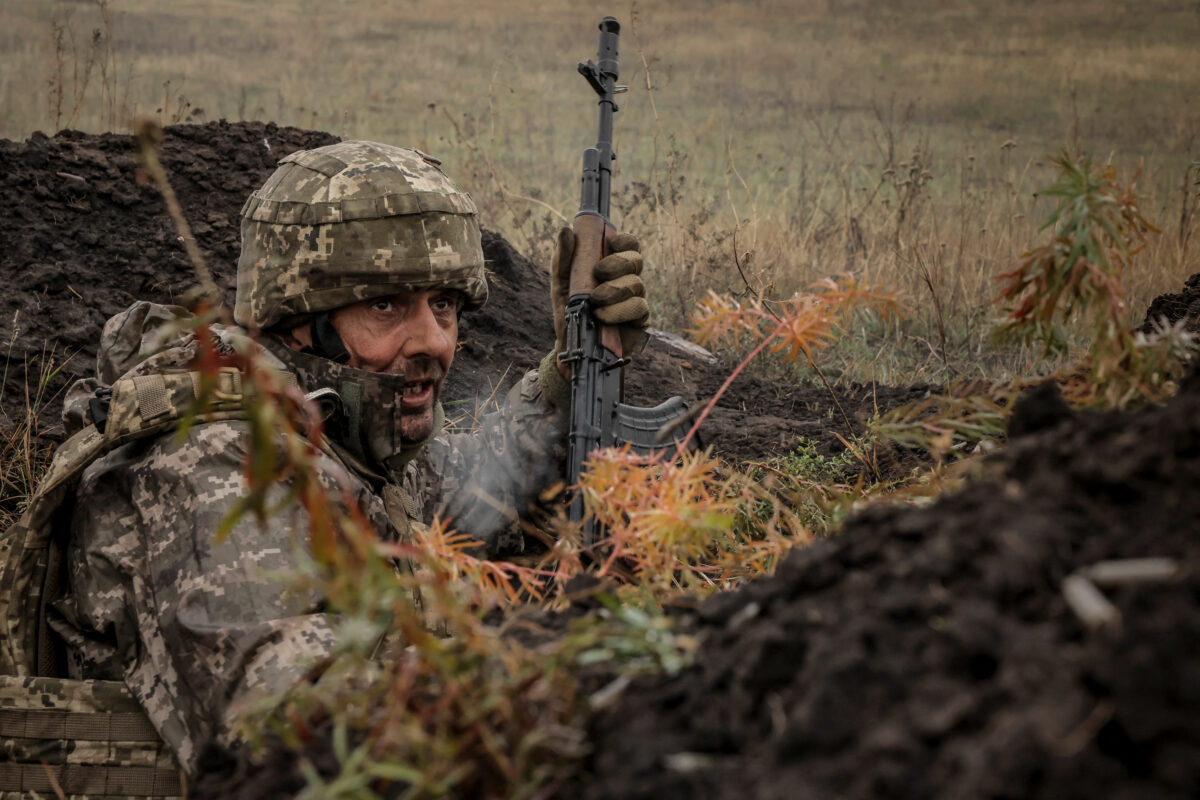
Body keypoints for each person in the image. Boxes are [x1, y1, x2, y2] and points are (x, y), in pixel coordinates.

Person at [2, 140, 650, 773]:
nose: (433, 341)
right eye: (385, 304)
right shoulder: (215, 468)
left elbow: (471, 499)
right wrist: (545, 680)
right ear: (296, 321)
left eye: (445, 305)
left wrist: (573, 372)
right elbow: (302, 745)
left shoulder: (339, 426)